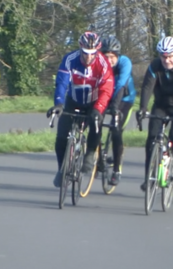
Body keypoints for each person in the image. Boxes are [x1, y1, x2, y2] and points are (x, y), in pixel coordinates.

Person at [47, 31, 114, 188]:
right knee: (61, 137)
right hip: (74, 100)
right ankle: (62, 170)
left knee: (96, 123)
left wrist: (98, 109)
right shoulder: (70, 60)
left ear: (97, 51)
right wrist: (58, 104)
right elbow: (62, 83)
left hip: (95, 102)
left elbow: (107, 89)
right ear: (80, 49)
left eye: (92, 54)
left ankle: (90, 153)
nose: (88, 57)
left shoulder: (103, 64)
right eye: (85, 53)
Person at [137, 36, 173, 191]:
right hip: (162, 105)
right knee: (151, 138)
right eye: (163, 56)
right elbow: (147, 87)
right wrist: (143, 108)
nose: (166, 60)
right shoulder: (155, 66)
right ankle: (148, 178)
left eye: (169, 56)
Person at [100, 37, 137, 186]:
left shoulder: (125, 62)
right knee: (95, 121)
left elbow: (121, 84)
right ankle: (97, 154)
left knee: (116, 130)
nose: (109, 60)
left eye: (112, 57)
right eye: (106, 57)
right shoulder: (100, 64)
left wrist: (115, 107)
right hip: (105, 95)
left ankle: (116, 169)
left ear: (118, 56)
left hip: (124, 99)